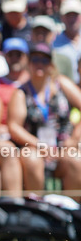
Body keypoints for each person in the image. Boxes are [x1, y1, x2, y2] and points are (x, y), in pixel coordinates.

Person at [7, 43, 81, 199]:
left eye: (44, 60)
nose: (40, 64)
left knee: (76, 159)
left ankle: (73, 213)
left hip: (63, 147)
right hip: (34, 147)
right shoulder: (21, 92)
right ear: (29, 63)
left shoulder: (62, 84)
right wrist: (40, 145)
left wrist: (74, 139)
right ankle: (38, 211)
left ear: (51, 65)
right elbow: (14, 127)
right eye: (35, 60)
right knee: (32, 159)